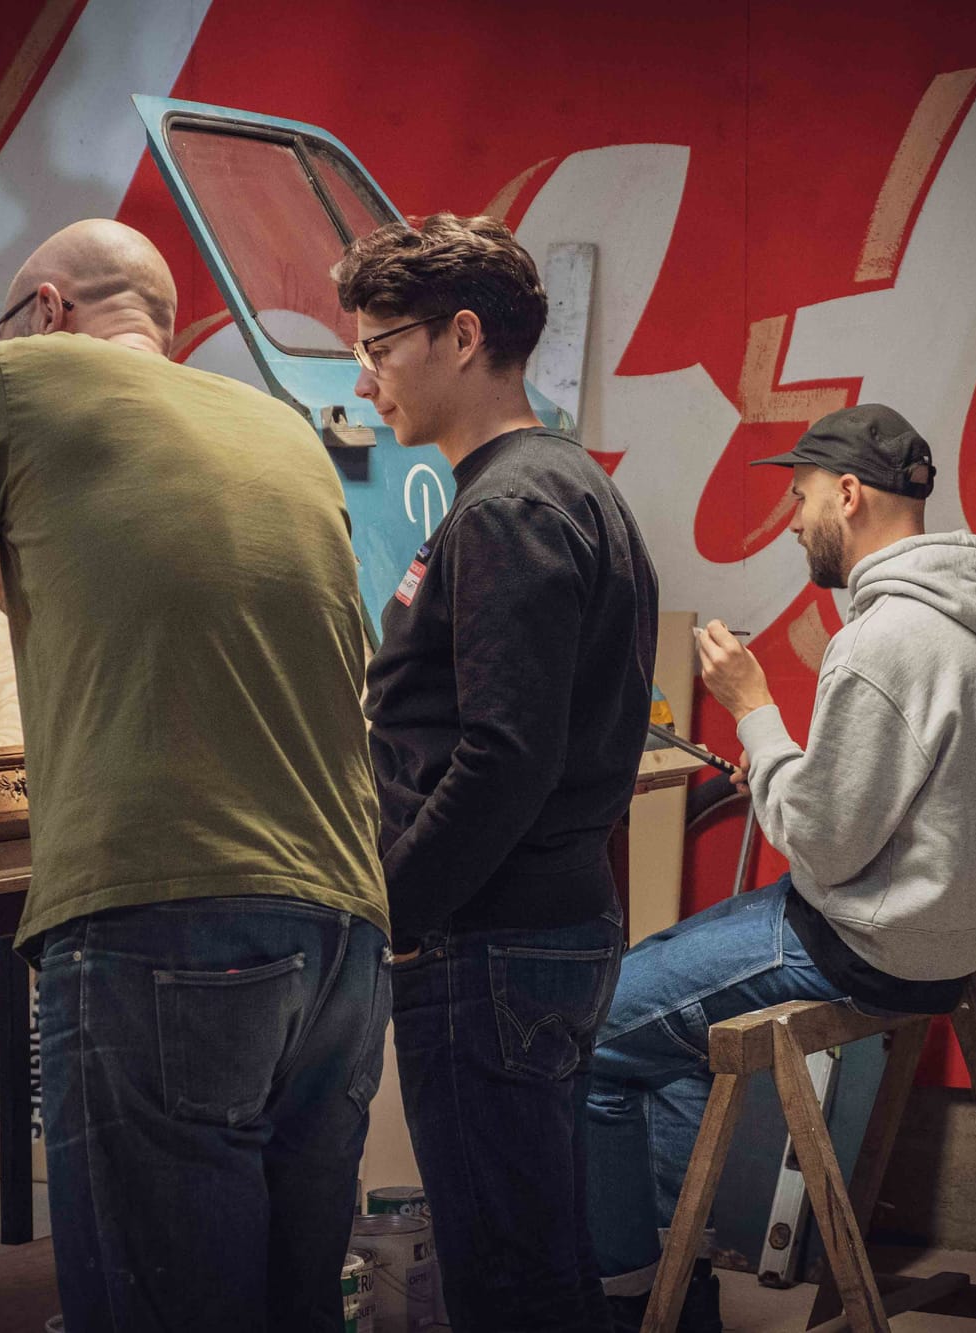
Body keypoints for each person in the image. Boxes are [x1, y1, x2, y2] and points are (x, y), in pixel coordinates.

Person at [0, 219, 390, 1333]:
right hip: (340, 937)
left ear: (45, 308)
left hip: (161, 918)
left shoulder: (13, 381)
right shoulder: (279, 430)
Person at [585, 403, 976, 1332]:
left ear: (848, 495)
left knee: (594, 1033)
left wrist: (752, 706)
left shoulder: (885, 640)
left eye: (801, 499)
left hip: (859, 944)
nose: (795, 520)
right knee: (669, 1028)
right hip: (948, 947)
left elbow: (821, 843)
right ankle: (679, 1281)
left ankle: (637, 1305)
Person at [336, 213, 658, 1332]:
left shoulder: (509, 507)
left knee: (502, 1276)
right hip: (535, 929)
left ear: (460, 335)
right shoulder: (557, 486)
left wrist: (396, 908)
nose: (365, 374)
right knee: (537, 1251)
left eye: (380, 345)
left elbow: (501, 756)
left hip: (487, 942)